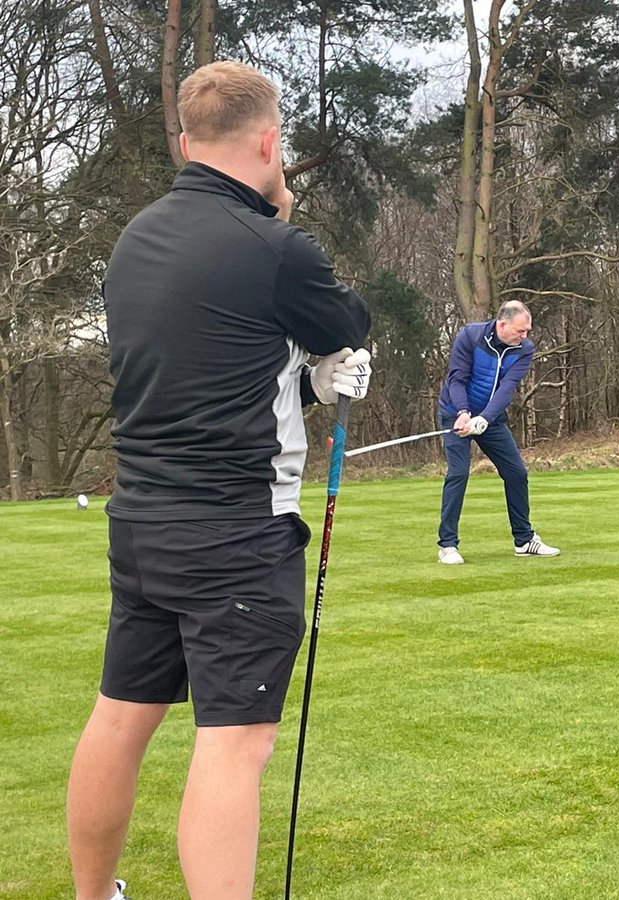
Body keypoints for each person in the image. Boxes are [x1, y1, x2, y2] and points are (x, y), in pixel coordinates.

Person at [66, 61, 372, 900]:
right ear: (270, 142)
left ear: (184, 141)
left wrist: (306, 388)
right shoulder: (275, 245)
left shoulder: (136, 239)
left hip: (143, 524)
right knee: (236, 744)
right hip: (235, 530)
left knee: (121, 715)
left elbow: (210, 367)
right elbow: (346, 324)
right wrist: (280, 210)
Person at [436, 300, 559, 563]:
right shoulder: (470, 336)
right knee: (458, 473)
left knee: (516, 473)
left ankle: (524, 540)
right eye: (520, 331)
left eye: (527, 331)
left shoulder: (524, 349)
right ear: (502, 325)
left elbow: (507, 388)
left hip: (490, 419)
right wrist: (464, 412)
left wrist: (485, 418)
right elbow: (457, 378)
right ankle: (447, 545)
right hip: (455, 413)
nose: (525, 337)